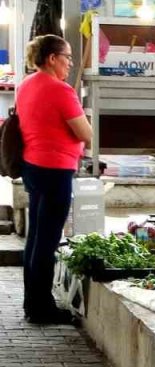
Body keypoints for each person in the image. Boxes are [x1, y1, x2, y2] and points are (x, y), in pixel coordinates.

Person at [16, 35, 93, 325]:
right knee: (46, 242)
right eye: (67, 57)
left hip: (33, 167)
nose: (70, 63)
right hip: (55, 169)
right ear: (51, 58)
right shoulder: (60, 91)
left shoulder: (26, 85)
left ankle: (31, 303)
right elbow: (85, 133)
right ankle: (41, 309)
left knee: (35, 238)